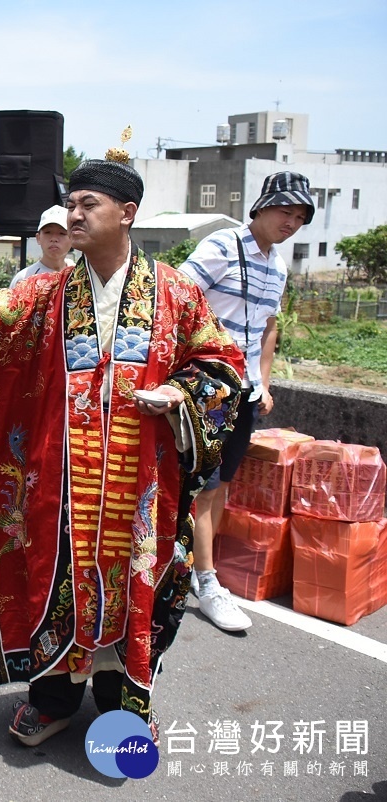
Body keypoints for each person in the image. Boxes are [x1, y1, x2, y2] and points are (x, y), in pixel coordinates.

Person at [0, 158, 244, 747]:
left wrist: (180, 393)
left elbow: (221, 364)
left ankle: (122, 701)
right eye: (70, 204)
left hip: (139, 480)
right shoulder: (50, 292)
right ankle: (52, 697)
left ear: (127, 215)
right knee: (55, 580)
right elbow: (2, 315)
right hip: (61, 480)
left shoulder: (175, 291)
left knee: (135, 586)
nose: (73, 215)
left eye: (87, 205)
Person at [178, 171, 315, 632]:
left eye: (300, 217)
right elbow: (177, 298)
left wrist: (265, 382)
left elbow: (269, 328)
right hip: (210, 387)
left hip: (246, 392)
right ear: (261, 207)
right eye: (285, 212)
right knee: (207, 485)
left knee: (224, 485)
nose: (291, 223)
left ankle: (198, 567)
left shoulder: (277, 265)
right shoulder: (222, 246)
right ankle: (206, 579)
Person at [10, 205, 71, 288]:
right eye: (48, 232)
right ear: (38, 238)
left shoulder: (79, 274)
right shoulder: (24, 278)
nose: (54, 239)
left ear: (72, 238)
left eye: (62, 233)